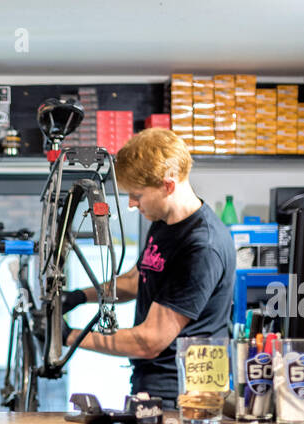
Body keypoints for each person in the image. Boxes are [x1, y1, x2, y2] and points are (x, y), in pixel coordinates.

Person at [62, 128, 235, 408]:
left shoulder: (202, 247)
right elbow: (137, 279)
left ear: (168, 185)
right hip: (153, 382)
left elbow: (149, 341)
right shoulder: (165, 221)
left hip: (184, 397)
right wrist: (78, 297)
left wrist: (70, 336)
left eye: (137, 195)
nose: (131, 203)